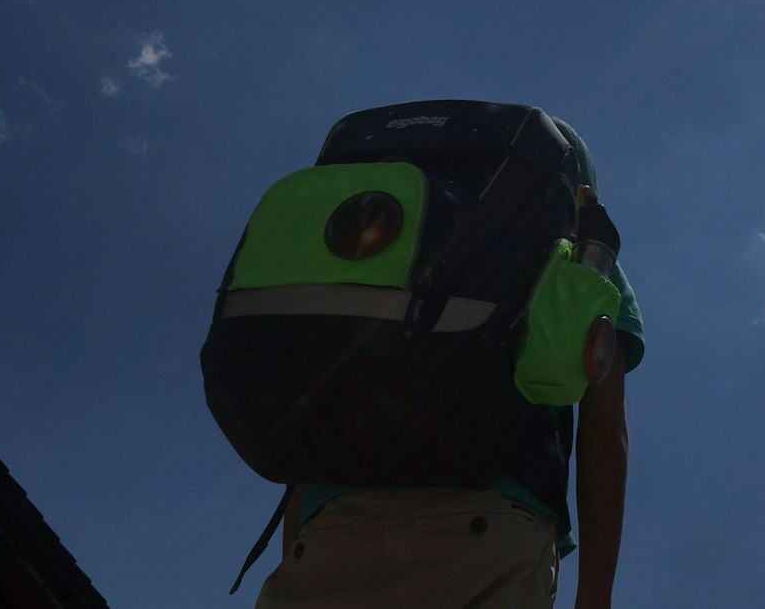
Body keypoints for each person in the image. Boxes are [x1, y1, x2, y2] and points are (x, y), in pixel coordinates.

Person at [253, 118, 646, 609]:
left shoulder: (358, 250)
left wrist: (305, 543)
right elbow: (604, 437)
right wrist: (595, 599)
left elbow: (314, 425)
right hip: (488, 522)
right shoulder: (582, 259)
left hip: (329, 530)